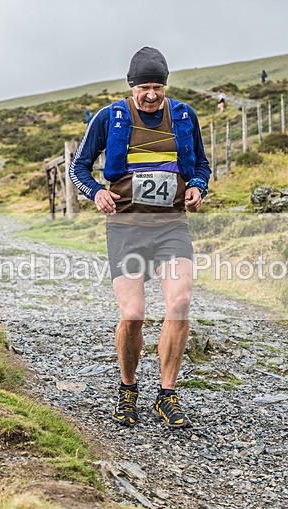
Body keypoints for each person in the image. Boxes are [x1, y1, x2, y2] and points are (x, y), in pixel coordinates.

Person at [69, 46, 210, 429]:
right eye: (144, 87)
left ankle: (167, 394)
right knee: (133, 316)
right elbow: (78, 167)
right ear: (132, 86)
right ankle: (128, 389)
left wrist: (198, 185)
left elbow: (201, 163)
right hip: (126, 227)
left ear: (166, 86)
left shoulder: (183, 115)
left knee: (179, 303)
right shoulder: (110, 117)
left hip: (171, 227)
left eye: (158, 88)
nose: (151, 95)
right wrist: (96, 192)